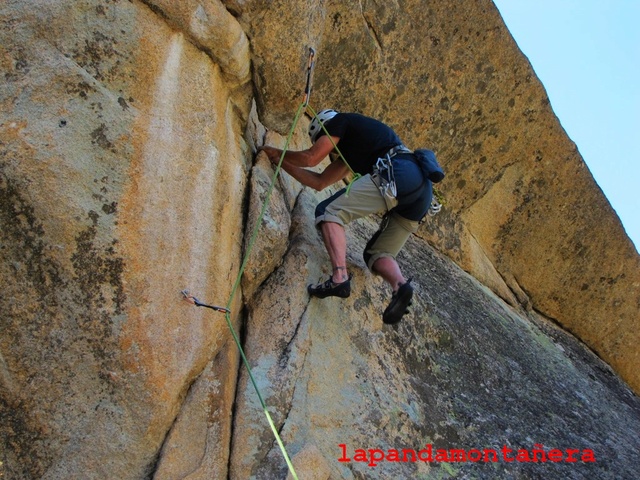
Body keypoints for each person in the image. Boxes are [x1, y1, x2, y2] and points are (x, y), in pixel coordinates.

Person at [260, 109, 439, 324]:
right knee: (377, 254)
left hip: (398, 174)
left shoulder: (340, 121)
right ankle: (400, 286)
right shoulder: (354, 150)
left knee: (330, 212)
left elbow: (310, 158)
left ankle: (339, 278)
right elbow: (319, 182)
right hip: (422, 195)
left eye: (323, 140)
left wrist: (277, 153)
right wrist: (281, 162)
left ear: (324, 127)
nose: (328, 148)